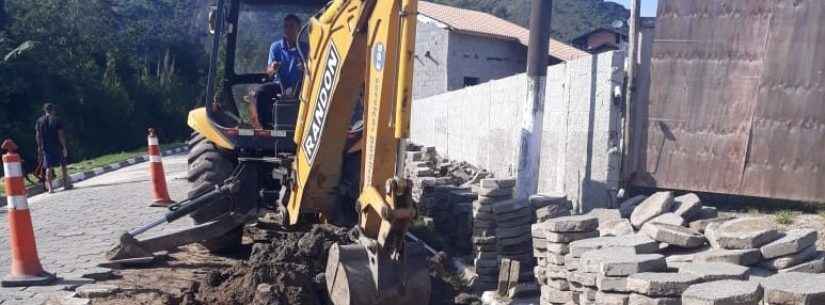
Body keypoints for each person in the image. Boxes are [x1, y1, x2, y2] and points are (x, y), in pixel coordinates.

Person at [250, 14, 308, 129]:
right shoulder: (275, 47)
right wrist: (273, 68)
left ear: (299, 29)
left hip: (301, 87)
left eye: (291, 26)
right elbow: (269, 72)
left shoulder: (306, 48)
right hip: (279, 85)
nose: (288, 30)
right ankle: (266, 127)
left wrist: (306, 68)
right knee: (261, 92)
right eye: (285, 26)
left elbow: (314, 69)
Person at [35, 103, 72, 193]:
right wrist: (64, 147)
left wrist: (39, 147)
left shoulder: (39, 121)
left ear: (45, 110)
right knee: (63, 165)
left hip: (46, 147)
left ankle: (51, 188)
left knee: (48, 167)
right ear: (53, 110)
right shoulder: (57, 120)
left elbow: (38, 135)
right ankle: (66, 185)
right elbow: (60, 135)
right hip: (57, 146)